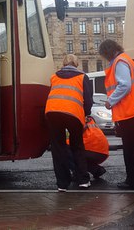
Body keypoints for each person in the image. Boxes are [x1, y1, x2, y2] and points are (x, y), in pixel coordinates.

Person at [98, 39, 134, 190]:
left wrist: (110, 101)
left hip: (132, 112)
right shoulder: (124, 59)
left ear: (108, 51)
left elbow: (124, 85)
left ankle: (133, 182)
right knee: (132, 149)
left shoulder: (120, 62)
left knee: (130, 149)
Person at [45, 54, 93, 191]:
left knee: (58, 148)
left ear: (64, 63)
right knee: (77, 146)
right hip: (73, 113)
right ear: (76, 64)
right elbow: (88, 100)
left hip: (53, 112)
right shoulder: (82, 77)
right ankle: (83, 180)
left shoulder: (54, 77)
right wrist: (86, 113)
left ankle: (62, 184)